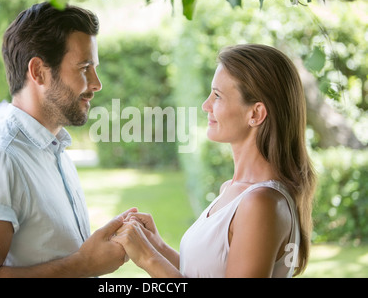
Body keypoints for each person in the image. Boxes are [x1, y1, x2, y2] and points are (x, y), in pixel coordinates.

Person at [0, 2, 136, 277]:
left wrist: (97, 251)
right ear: (38, 72)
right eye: (84, 67)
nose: (97, 83)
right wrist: (84, 264)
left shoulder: (54, 150)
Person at [112, 44, 316, 278]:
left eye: (217, 96)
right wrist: (157, 246)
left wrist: (148, 259)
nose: (205, 105)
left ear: (255, 114)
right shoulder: (233, 191)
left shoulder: (261, 203)